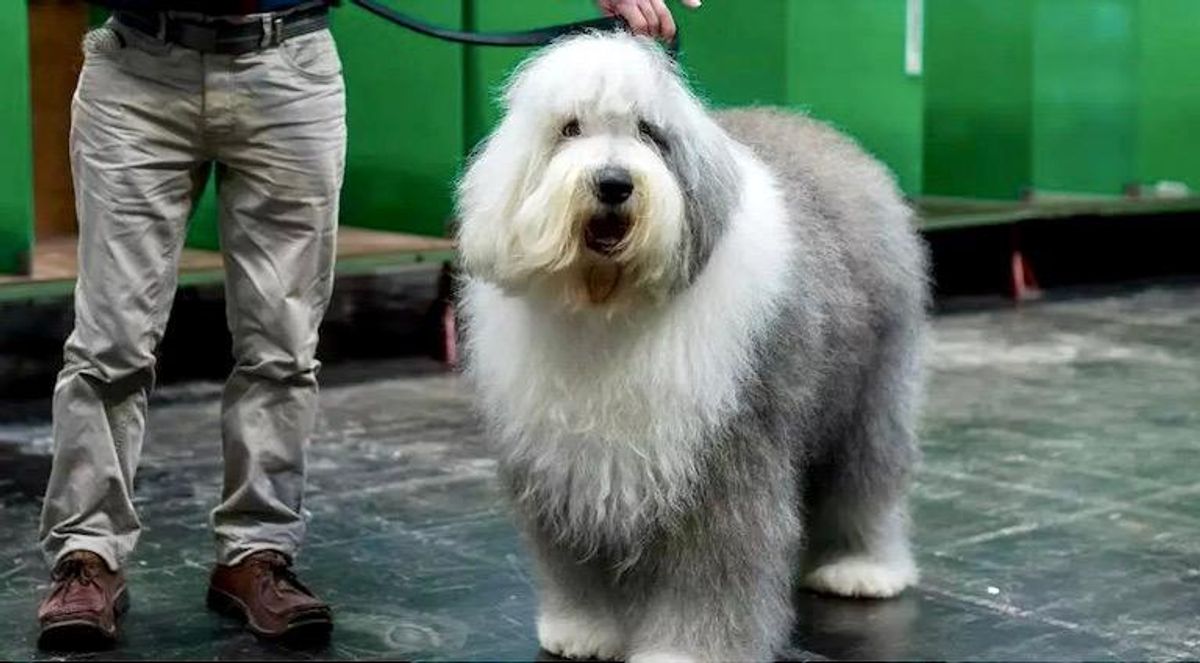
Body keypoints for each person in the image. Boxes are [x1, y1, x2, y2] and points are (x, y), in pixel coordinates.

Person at [33, 0, 697, 652]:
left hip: (288, 67)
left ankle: (257, 552)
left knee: (282, 343)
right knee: (110, 342)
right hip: (138, 66)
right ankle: (86, 556)